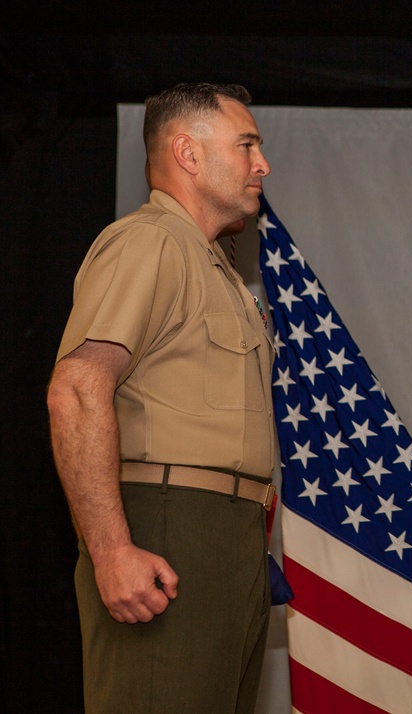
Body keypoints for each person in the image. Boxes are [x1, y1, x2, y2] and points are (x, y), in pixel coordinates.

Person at [47, 82, 275, 712]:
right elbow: (76, 387)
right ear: (188, 153)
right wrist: (112, 549)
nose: (263, 164)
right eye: (247, 144)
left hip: (224, 535)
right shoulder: (149, 242)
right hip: (169, 528)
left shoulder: (215, 265)